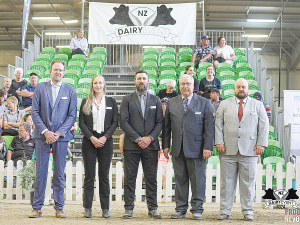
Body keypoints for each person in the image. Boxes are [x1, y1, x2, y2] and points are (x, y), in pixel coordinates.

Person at [215, 78, 269, 221]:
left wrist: (261, 144)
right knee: (226, 183)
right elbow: (218, 124)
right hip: (227, 150)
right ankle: (224, 211)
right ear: (234, 89)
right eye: (238, 87)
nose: (241, 89)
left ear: (248, 89)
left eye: (243, 87)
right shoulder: (224, 104)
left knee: (248, 183)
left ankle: (247, 211)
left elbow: (264, 125)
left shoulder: (257, 105)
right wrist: (218, 142)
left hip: (250, 150)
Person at [162, 74, 214, 220]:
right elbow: (166, 127)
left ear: (193, 86)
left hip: (198, 149)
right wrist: (166, 145)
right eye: (183, 84)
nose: (185, 86)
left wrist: (207, 147)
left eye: (188, 84)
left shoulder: (204, 103)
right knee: (180, 180)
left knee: (198, 181)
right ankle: (180, 209)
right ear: (179, 86)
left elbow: (209, 128)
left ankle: (197, 209)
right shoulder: (172, 103)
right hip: (178, 149)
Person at [29, 60, 77, 218]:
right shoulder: (40, 88)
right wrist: (45, 132)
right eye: (55, 69)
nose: (58, 72)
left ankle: (59, 207)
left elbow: (72, 115)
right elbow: (34, 112)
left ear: (64, 72)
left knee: (59, 173)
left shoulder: (70, 91)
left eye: (61, 70)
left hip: (61, 138)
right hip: (42, 136)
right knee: (41, 172)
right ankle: (37, 207)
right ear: (50, 71)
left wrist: (58, 133)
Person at [120, 70, 163, 219]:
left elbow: (159, 123)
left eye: (144, 78)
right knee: (130, 178)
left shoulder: (156, 100)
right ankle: (128, 208)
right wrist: (138, 139)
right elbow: (123, 122)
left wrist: (150, 138)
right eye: (139, 79)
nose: (141, 81)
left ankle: (153, 208)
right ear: (135, 81)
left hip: (151, 146)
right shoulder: (126, 99)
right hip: (132, 146)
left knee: (151, 178)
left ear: (148, 81)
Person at [79, 75, 118, 218]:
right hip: (90, 140)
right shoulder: (86, 101)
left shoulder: (111, 101)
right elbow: (81, 122)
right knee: (89, 176)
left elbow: (115, 122)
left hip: (105, 141)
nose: (98, 85)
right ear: (92, 85)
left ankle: (105, 208)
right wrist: (92, 137)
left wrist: (104, 137)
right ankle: (87, 207)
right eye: (95, 83)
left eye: (100, 82)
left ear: (104, 84)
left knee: (104, 176)